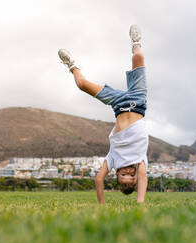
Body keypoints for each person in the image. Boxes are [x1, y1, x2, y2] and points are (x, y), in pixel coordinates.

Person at [58, 25, 148, 204]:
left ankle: (72, 65)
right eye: (132, 176)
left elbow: (98, 179)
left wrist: (102, 206)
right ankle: (136, 42)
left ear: (117, 173)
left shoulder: (113, 160)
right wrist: (140, 204)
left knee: (82, 85)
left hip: (118, 104)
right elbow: (143, 180)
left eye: (124, 175)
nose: (129, 172)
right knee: (138, 57)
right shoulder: (140, 162)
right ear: (136, 175)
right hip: (137, 100)